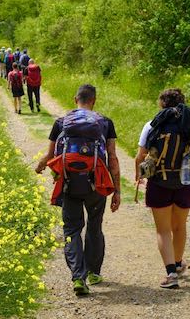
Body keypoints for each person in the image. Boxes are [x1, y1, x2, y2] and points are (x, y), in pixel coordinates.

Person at [36, 84, 121, 296]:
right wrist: (117, 190)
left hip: (69, 183)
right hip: (97, 183)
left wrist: (39, 166)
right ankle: (93, 272)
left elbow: (50, 156)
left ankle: (78, 277)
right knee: (94, 225)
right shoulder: (105, 123)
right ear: (94, 100)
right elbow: (112, 157)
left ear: (76, 99)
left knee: (72, 229)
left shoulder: (61, 122)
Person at [134, 88, 190, 289]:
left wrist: (138, 177)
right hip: (185, 184)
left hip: (159, 182)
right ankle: (177, 263)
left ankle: (170, 273)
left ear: (161, 104)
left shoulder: (152, 125)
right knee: (179, 226)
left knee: (163, 230)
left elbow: (140, 156)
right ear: (183, 103)